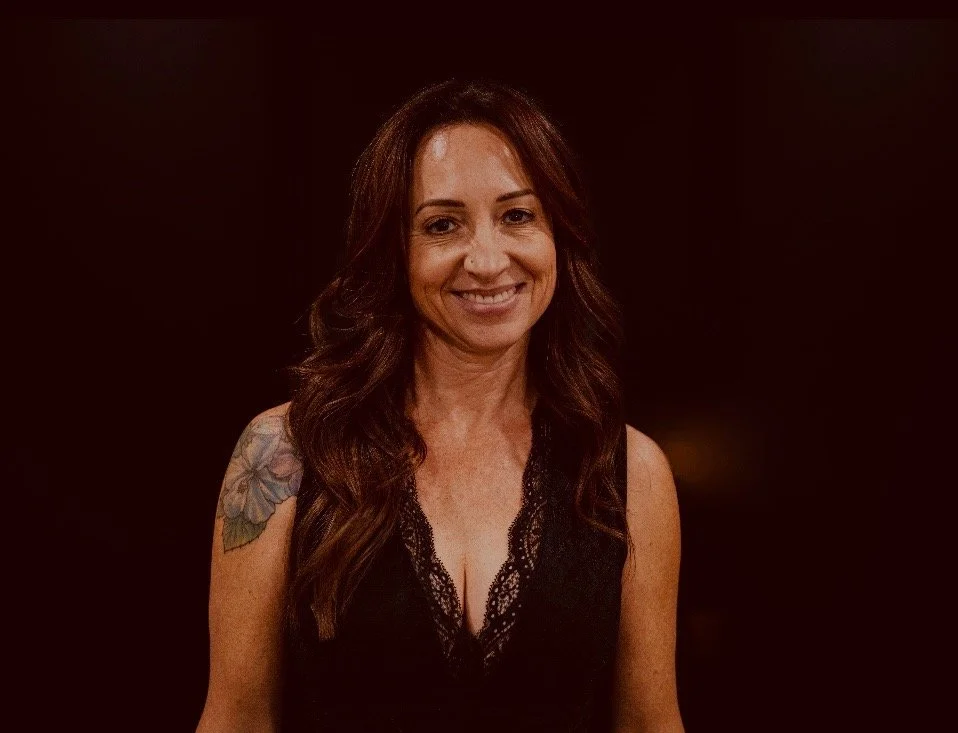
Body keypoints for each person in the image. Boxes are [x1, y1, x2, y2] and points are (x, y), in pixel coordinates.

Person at [196, 79, 684, 732]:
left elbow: (652, 723)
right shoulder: (281, 452)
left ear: (559, 236)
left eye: (517, 215)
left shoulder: (630, 470)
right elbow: (236, 719)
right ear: (395, 249)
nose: (486, 259)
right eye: (443, 224)